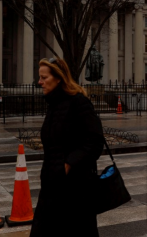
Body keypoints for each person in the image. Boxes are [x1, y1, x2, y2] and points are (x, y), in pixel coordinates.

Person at [30, 57, 104, 237]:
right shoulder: (53, 105)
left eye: (44, 77)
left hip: (75, 190)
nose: (39, 82)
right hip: (51, 186)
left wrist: (68, 164)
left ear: (59, 78)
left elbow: (95, 142)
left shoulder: (78, 102)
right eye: (39, 77)